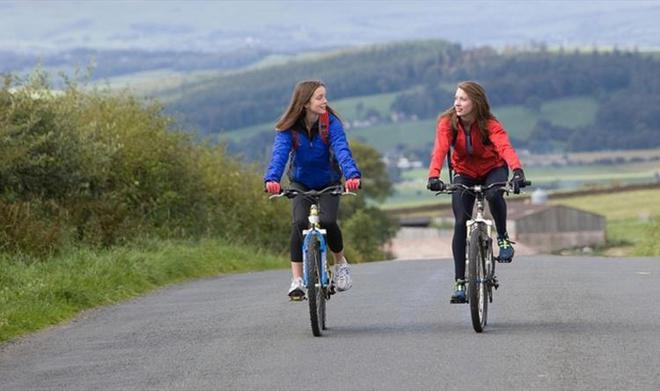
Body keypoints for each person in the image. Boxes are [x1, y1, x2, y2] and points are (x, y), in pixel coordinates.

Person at [426, 81, 527, 304]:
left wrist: (517, 171)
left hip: (493, 169)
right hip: (464, 172)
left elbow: (505, 148)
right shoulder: (448, 123)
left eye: (463, 99)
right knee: (461, 220)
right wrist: (434, 176)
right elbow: (440, 150)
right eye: (456, 98)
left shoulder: (490, 124)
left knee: (493, 194)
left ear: (476, 102)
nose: (457, 103)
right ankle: (460, 282)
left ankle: (502, 239)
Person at [264, 80, 361, 300]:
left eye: (325, 96)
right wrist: (272, 179)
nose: (325, 101)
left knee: (327, 222)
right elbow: (279, 155)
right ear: (305, 102)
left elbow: (341, 149)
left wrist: (352, 175)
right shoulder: (289, 128)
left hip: (329, 182)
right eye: (319, 97)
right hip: (301, 183)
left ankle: (340, 263)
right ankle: (297, 279)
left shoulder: (331, 123)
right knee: (299, 222)